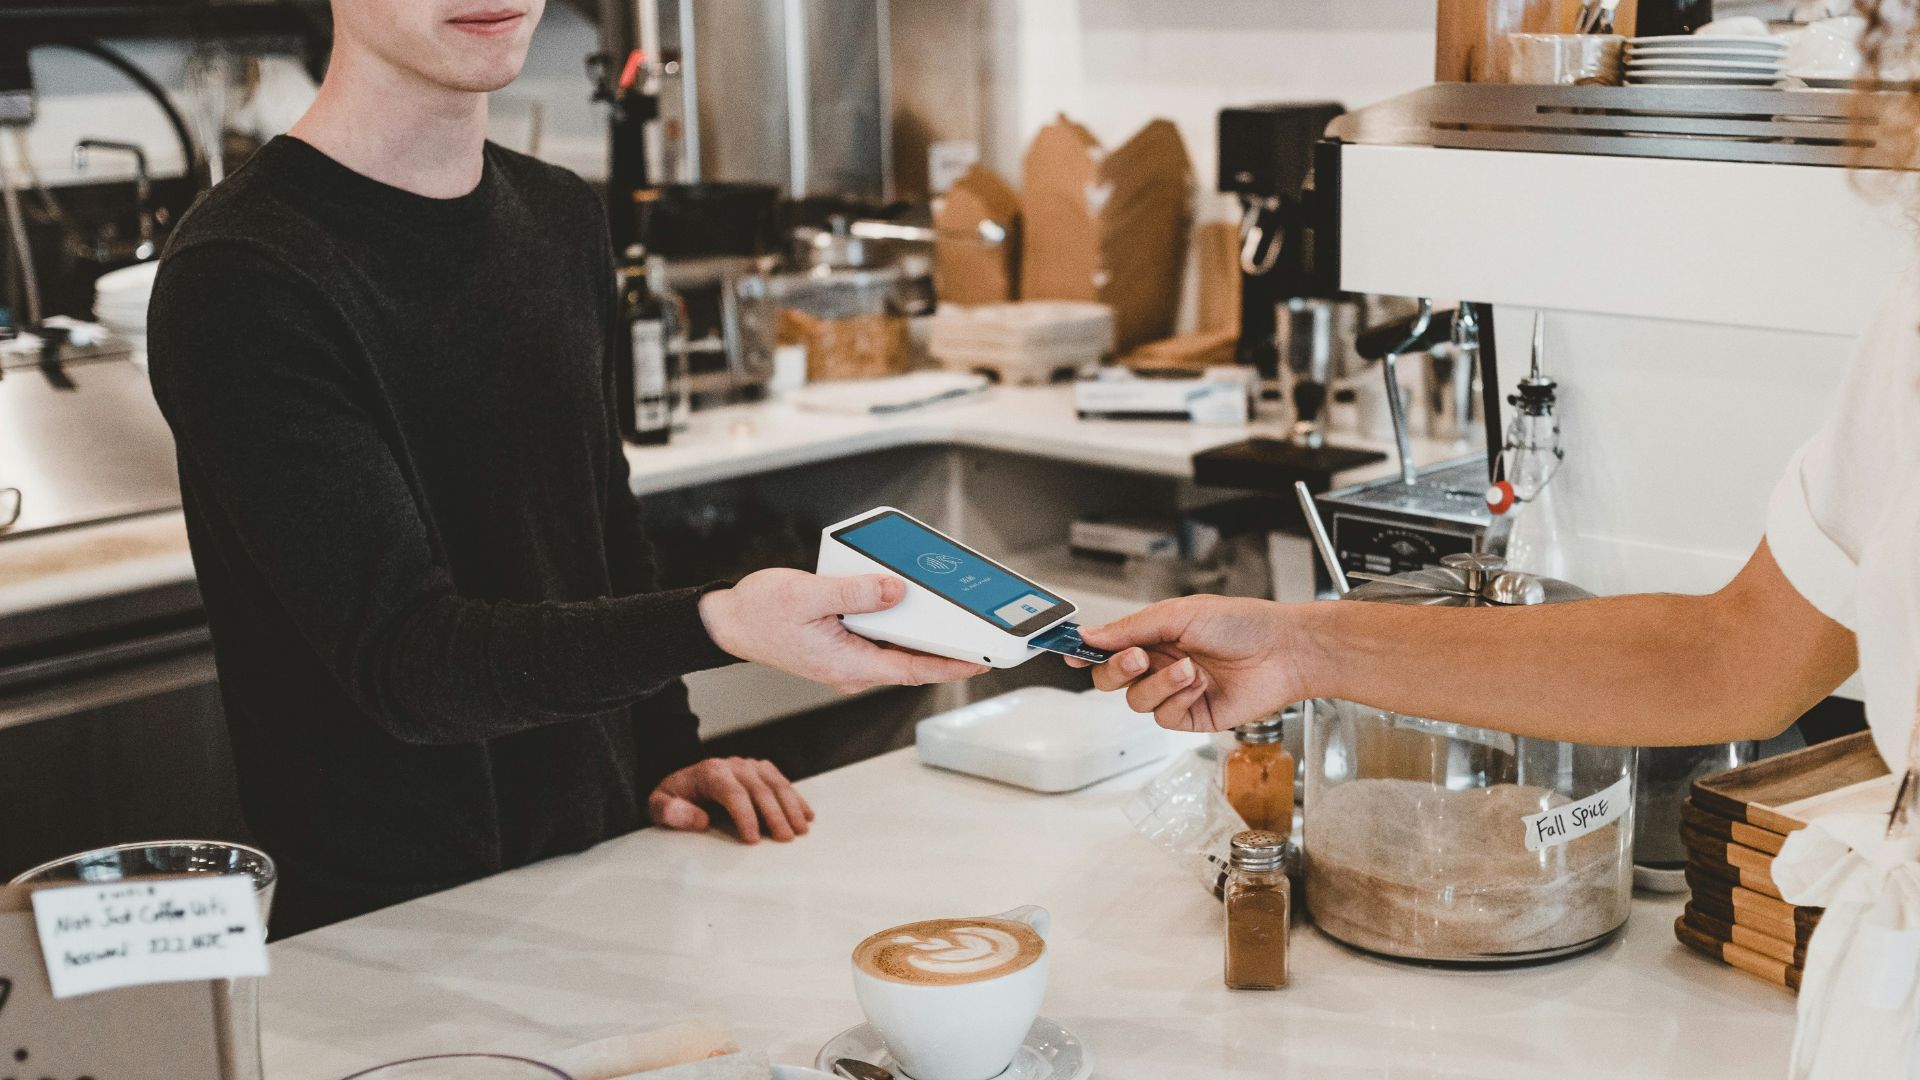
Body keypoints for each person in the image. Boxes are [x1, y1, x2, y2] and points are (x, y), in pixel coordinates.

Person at [146, 0, 984, 937]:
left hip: (607, 871)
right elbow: (407, 661)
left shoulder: (557, 215)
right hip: (390, 931)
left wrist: (666, 750)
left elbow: (599, 528)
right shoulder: (243, 274)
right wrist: (720, 621)